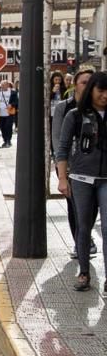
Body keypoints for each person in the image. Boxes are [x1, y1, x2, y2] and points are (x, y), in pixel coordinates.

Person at [56, 72, 107, 292]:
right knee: (84, 226)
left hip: (105, 179)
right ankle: (84, 272)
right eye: (101, 91)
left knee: (106, 228)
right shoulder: (75, 116)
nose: (105, 96)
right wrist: (62, 179)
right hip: (80, 178)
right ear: (91, 91)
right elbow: (63, 148)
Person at [52, 68, 97, 258]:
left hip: (94, 166)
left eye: (91, 82)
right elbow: (57, 137)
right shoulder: (64, 107)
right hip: (70, 165)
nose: (87, 85)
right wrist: (61, 165)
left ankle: (86, 238)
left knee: (92, 206)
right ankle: (81, 244)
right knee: (74, 206)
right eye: (83, 82)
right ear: (75, 85)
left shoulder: (99, 107)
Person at [0, 80, 19, 147]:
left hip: (9, 113)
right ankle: (5, 140)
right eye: (1, 85)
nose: (2, 86)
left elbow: (16, 101)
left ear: (7, 85)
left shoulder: (13, 92)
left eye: (4, 85)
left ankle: (8, 140)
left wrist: (11, 104)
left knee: (8, 126)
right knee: (2, 127)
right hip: (0, 113)